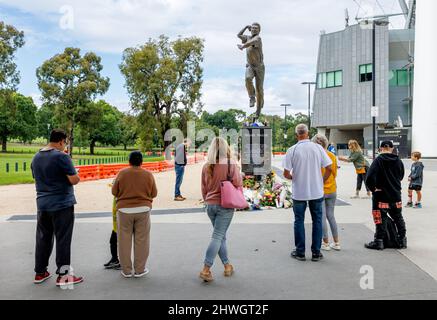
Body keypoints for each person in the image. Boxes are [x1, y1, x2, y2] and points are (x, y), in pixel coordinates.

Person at [31, 129, 83, 287]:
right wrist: (76, 173)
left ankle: (40, 272)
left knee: (43, 238)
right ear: (61, 141)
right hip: (62, 204)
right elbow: (74, 180)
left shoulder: (36, 157)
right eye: (65, 142)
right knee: (63, 240)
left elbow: (38, 177)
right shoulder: (62, 156)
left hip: (42, 204)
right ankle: (63, 275)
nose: (65, 145)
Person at [283, 124, 333, 262]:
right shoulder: (317, 148)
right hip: (316, 191)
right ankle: (316, 252)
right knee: (317, 220)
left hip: (299, 192)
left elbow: (286, 173)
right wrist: (321, 180)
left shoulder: (292, 150)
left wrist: (295, 177)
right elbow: (329, 168)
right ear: (308, 133)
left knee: (299, 220)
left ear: (296, 135)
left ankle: (300, 252)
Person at [199, 137, 243, 282]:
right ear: (226, 148)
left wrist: (208, 201)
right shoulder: (230, 163)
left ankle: (227, 266)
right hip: (225, 204)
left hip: (210, 205)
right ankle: (206, 269)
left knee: (220, 236)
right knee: (218, 236)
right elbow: (237, 182)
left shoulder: (206, 166)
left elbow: (203, 188)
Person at [112, 151, 158, 278]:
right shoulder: (148, 174)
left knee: (123, 240)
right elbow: (154, 193)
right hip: (143, 210)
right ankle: (140, 269)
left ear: (129, 161)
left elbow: (114, 191)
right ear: (141, 161)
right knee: (142, 240)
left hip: (124, 210)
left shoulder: (122, 173)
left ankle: (126, 270)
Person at [364, 141, 407, 251]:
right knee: (398, 217)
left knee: (380, 218)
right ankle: (402, 240)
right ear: (392, 148)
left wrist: (374, 189)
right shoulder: (398, 160)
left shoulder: (378, 160)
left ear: (381, 148)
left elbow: (369, 177)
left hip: (381, 196)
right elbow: (401, 176)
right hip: (396, 195)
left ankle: (379, 241)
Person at [312, 135, 340, 251]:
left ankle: (326, 242)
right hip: (332, 188)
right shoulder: (332, 155)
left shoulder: (315, 155)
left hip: (320, 189)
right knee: (331, 216)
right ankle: (337, 242)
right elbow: (334, 173)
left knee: (322, 217)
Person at [237, 22, 265, 118]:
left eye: (256, 28)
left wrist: (242, 46)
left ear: (259, 30)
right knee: (248, 78)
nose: (254, 29)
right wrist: (245, 26)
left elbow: (250, 43)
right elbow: (239, 35)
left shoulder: (258, 39)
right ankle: (252, 97)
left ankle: (258, 111)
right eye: (252, 28)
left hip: (259, 67)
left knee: (259, 89)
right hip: (250, 66)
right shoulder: (247, 37)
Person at [103, 196, 121, 270]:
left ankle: (122, 262)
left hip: (120, 221)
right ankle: (115, 259)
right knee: (113, 240)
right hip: (116, 224)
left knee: (119, 242)